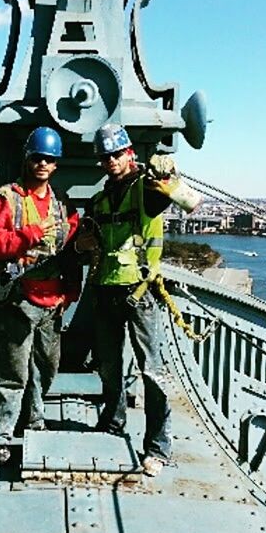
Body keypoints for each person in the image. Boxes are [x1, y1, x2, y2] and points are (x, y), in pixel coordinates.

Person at [77, 123, 177, 477]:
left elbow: (176, 198)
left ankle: (158, 449)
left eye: (117, 154)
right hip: (106, 289)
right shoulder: (102, 198)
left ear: (130, 153)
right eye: (106, 157)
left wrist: (167, 175)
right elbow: (87, 240)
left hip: (140, 293)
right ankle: (113, 422)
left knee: (152, 372)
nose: (111, 161)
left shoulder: (145, 189)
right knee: (109, 367)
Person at [0, 127, 80, 465]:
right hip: (20, 298)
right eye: (38, 157)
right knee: (13, 373)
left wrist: (71, 289)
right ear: (28, 158)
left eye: (49, 159)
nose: (42, 163)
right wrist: (29, 235)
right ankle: (0, 436)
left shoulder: (61, 204)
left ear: (55, 165)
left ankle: (35, 419)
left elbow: (71, 249)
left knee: (46, 368)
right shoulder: (7, 198)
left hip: (52, 303)